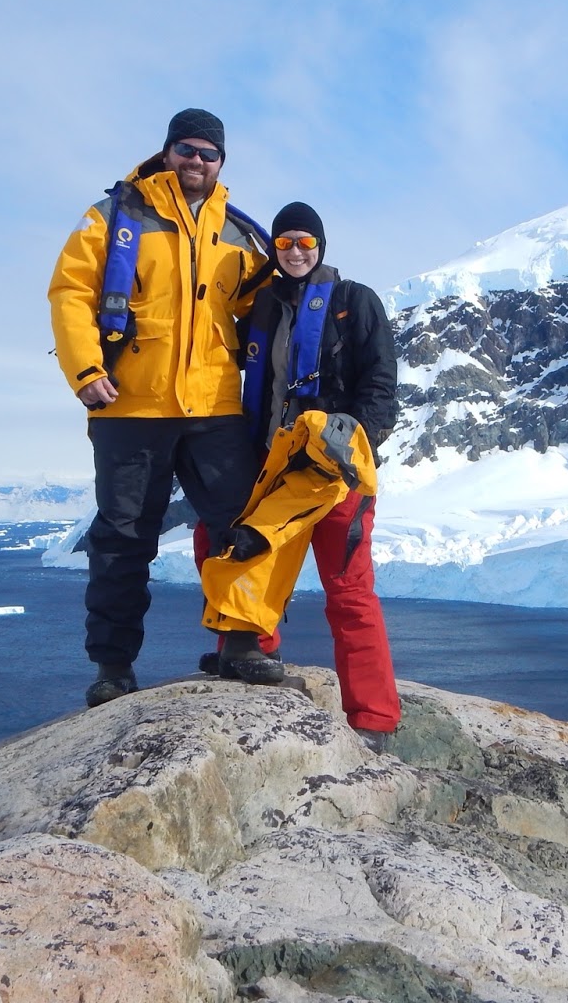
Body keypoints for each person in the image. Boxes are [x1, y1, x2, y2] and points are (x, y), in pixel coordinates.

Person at [48, 108, 270, 707]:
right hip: (128, 405)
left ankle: (239, 646)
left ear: (222, 162)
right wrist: (85, 371)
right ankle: (113, 668)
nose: (196, 162)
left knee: (238, 527)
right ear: (167, 151)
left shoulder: (240, 235)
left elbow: (262, 313)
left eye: (208, 153)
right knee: (122, 540)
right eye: (186, 149)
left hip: (214, 406)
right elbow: (71, 292)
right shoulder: (115, 216)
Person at [200, 201, 402, 751]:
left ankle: (374, 717)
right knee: (229, 543)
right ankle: (249, 649)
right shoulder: (262, 307)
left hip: (337, 474)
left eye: (304, 243)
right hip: (275, 466)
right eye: (284, 243)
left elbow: (381, 383)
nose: (294, 252)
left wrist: (358, 445)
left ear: (321, 248)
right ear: (274, 248)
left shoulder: (354, 302)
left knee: (350, 592)